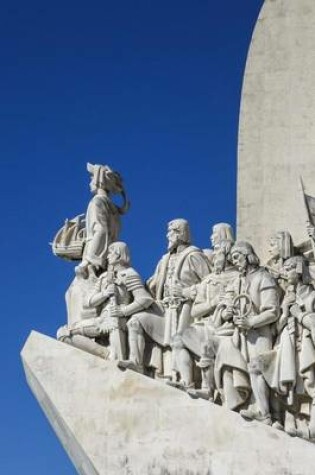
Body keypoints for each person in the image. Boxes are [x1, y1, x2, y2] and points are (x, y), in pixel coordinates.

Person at [119, 219, 211, 378]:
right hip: (163, 309)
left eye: (171, 232)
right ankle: (136, 363)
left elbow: (211, 284)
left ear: (180, 234)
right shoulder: (165, 260)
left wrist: (186, 291)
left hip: (186, 311)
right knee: (135, 321)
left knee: (178, 342)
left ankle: (183, 379)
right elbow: (151, 285)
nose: (168, 235)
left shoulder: (194, 256)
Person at [57, 242, 153, 360]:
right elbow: (88, 302)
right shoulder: (103, 277)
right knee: (64, 333)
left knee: (118, 358)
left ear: (118, 255)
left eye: (110, 253)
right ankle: (106, 354)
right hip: (102, 319)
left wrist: (123, 311)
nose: (107, 256)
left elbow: (144, 299)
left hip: (118, 318)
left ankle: (116, 356)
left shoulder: (129, 274)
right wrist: (105, 293)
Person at [228, 241, 279, 425]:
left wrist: (251, 322)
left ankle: (266, 414)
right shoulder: (240, 281)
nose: (234, 262)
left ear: (247, 255)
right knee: (249, 370)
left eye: (236, 257)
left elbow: (272, 311)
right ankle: (260, 408)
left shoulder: (263, 277)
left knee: (259, 368)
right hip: (244, 334)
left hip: (261, 332)